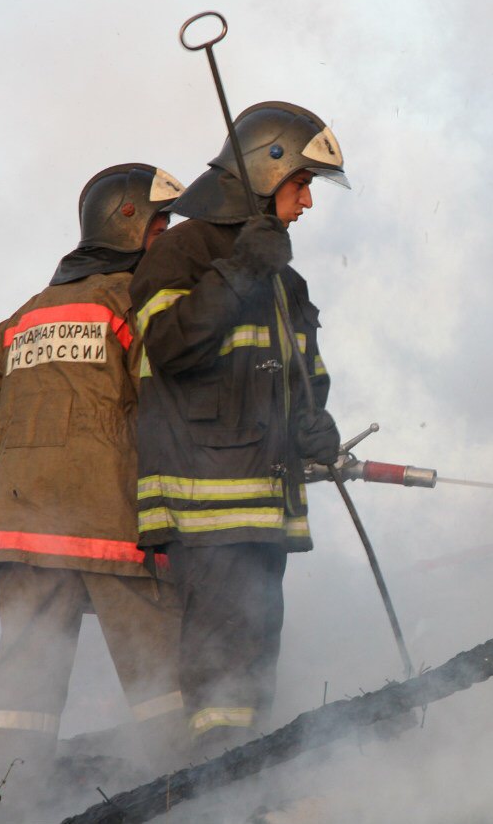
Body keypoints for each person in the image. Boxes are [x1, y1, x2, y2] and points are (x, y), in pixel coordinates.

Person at [0, 164, 187, 818]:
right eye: (162, 226)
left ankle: (2, 805)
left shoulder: (31, 311)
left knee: (21, 681)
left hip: (22, 525)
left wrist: (9, 446)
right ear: (130, 226)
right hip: (111, 521)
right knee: (161, 671)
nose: (169, 240)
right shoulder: (133, 303)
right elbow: (166, 394)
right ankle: (189, 792)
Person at [129, 101, 345, 755]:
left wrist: (315, 423)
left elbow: (304, 375)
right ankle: (213, 790)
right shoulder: (182, 254)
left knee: (253, 678)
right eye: (300, 182)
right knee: (220, 682)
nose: (307, 201)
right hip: (206, 508)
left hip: (263, 508)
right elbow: (171, 346)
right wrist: (243, 269)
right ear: (264, 169)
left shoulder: (284, 278)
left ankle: (247, 787)